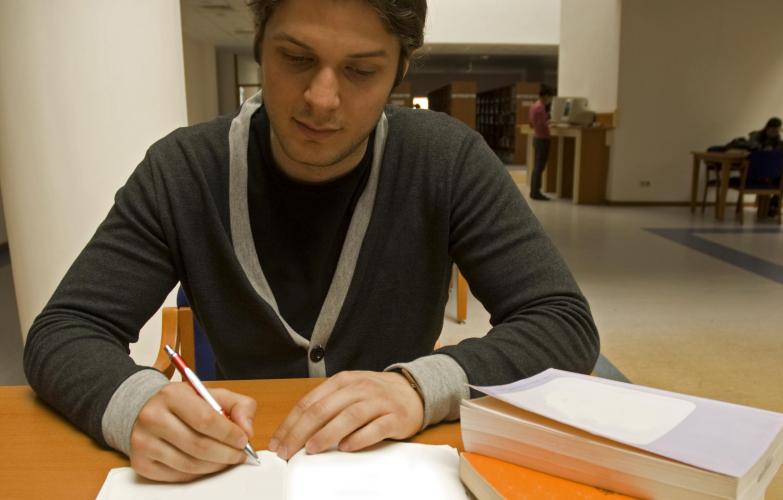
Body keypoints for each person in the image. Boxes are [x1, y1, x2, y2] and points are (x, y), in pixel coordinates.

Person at [23, 0, 599, 483]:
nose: (322, 100)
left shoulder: (445, 161)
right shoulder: (183, 170)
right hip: (243, 469)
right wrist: (134, 404)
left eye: (361, 71)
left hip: (396, 471)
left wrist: (420, 386)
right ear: (260, 42)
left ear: (402, 70)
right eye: (297, 59)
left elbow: (562, 322)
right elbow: (65, 330)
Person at [528, 87, 555, 200]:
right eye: (550, 97)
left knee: (537, 166)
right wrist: (549, 125)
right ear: (546, 96)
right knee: (539, 167)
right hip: (542, 139)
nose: (551, 100)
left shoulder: (534, 106)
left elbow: (533, 123)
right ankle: (535, 192)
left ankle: (534, 191)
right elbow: (541, 125)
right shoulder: (540, 108)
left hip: (537, 138)